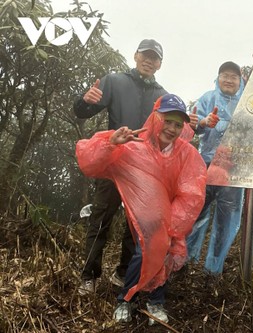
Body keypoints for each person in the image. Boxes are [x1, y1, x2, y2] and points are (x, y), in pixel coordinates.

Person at [74, 39, 197, 295]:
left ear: (160, 63)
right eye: (145, 55)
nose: (149, 61)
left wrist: (199, 125)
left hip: (145, 172)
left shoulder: (161, 95)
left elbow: (172, 131)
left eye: (155, 58)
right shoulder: (115, 81)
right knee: (101, 219)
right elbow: (83, 111)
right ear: (135, 56)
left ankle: (122, 273)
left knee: (137, 224)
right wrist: (85, 101)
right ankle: (89, 275)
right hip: (115, 161)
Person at [76, 93, 207, 325]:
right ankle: (126, 299)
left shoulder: (187, 154)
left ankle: (152, 300)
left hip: (168, 221)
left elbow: (192, 194)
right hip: (143, 219)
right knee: (144, 251)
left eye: (178, 124)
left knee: (161, 251)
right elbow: (89, 161)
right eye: (167, 121)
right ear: (156, 118)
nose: (172, 128)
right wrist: (111, 143)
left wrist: (171, 226)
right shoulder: (135, 145)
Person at [186, 61, 245, 276]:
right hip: (206, 166)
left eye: (234, 76)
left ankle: (213, 271)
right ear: (218, 78)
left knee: (225, 222)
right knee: (194, 215)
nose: (229, 79)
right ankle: (183, 262)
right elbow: (191, 126)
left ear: (241, 81)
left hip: (233, 170)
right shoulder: (208, 98)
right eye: (225, 75)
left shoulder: (246, 103)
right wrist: (203, 122)